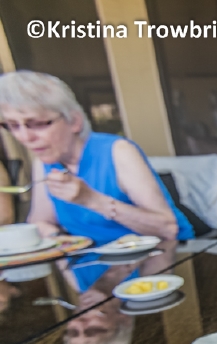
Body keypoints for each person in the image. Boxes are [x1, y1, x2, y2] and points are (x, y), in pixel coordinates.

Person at [0, 71, 194, 244]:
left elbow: (168, 228)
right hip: (90, 262)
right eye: (13, 126)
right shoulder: (43, 162)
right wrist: (59, 240)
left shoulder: (118, 151)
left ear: (74, 121)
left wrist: (91, 199)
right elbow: (40, 222)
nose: (24, 137)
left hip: (161, 257)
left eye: (37, 123)